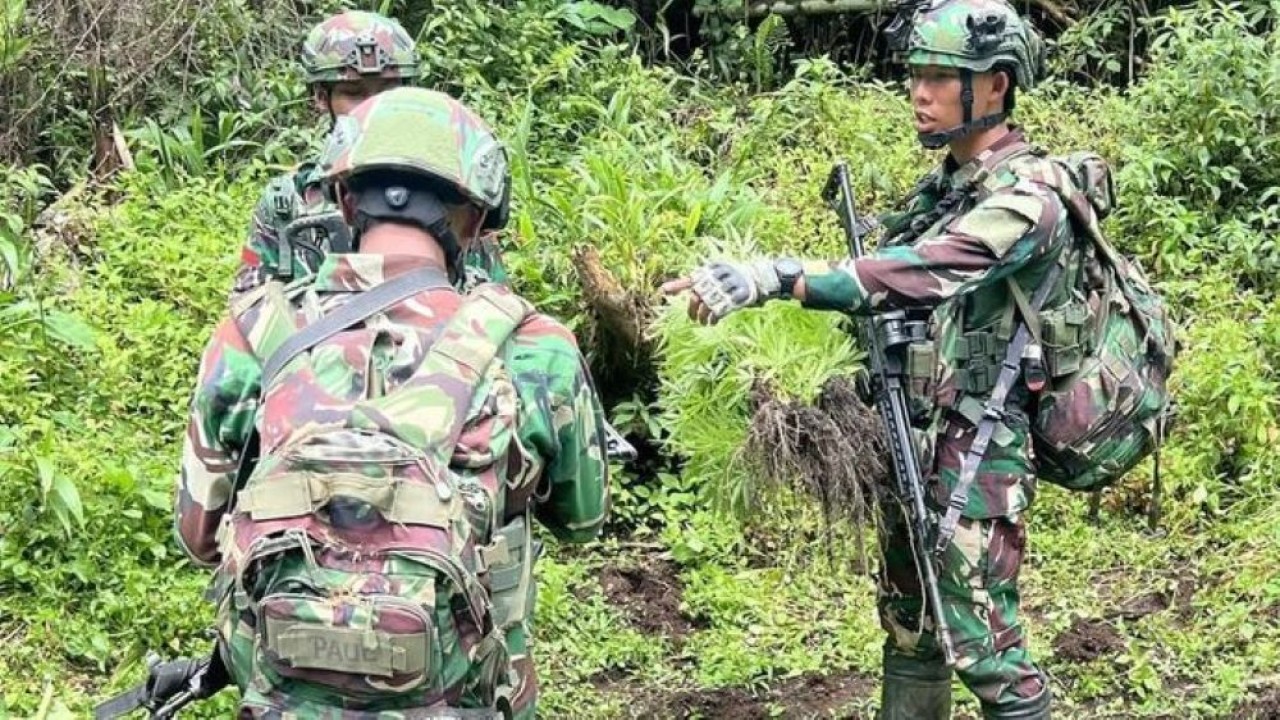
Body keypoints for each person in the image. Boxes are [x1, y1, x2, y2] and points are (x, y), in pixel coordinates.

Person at [663, 1, 1063, 717]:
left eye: (943, 77)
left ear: (996, 86)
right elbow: (891, 268)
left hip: (979, 444)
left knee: (980, 637)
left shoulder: (1029, 196)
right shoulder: (948, 188)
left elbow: (922, 272)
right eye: (916, 74)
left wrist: (778, 277)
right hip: (920, 431)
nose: (920, 92)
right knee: (910, 621)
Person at [176, 87, 609, 719]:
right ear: (476, 219)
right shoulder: (533, 347)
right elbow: (580, 521)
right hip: (472, 695)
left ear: (346, 201)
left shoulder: (252, 334)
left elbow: (199, 536)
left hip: (288, 696)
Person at [231, 9, 507, 302]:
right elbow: (250, 311)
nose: (374, 106)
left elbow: (493, 303)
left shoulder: (456, 188)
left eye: (387, 90)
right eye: (354, 92)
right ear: (322, 98)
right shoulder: (288, 202)